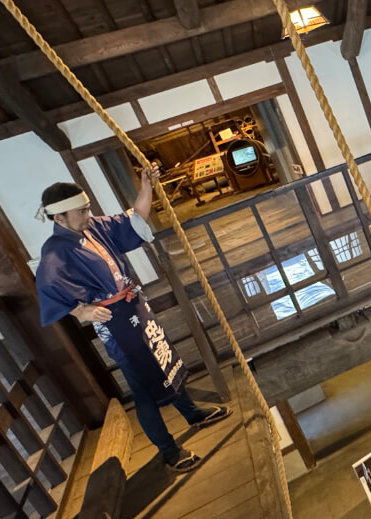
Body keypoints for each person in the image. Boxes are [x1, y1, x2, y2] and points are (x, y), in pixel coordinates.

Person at [34, 168, 231, 473]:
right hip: (114, 322)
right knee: (142, 383)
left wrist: (146, 185)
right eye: (81, 211)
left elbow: (135, 218)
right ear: (59, 218)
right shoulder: (55, 252)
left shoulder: (95, 227)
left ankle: (192, 413)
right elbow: (50, 290)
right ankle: (168, 450)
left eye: (87, 208)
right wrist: (82, 311)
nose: (89, 214)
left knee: (163, 362)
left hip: (133, 306)